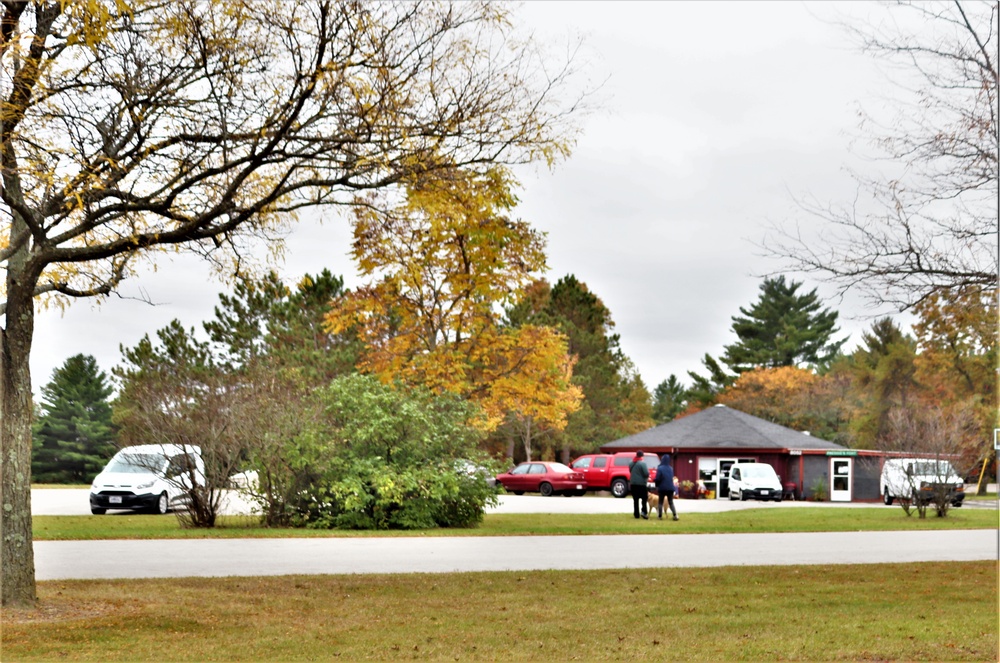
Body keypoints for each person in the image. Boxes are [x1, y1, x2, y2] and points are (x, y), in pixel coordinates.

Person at [653, 455, 679, 521]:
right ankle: (675, 515)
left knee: (660, 502)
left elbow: (658, 478)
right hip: (670, 487)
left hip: (662, 488)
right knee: (671, 502)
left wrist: (655, 482)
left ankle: (660, 516)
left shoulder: (660, 468)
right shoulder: (671, 468)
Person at [629, 450, 649, 519]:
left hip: (633, 484)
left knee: (635, 500)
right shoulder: (643, 464)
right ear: (642, 456)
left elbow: (630, 471)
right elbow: (646, 474)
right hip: (641, 484)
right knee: (644, 499)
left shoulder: (631, 463)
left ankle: (636, 514)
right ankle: (644, 512)